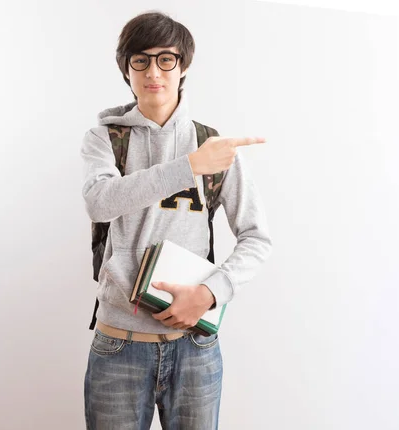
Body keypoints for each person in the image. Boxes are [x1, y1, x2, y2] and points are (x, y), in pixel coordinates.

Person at [80, 11, 272, 430]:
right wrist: (189, 168)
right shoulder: (106, 138)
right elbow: (100, 203)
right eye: (141, 60)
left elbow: (257, 238)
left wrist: (210, 293)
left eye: (166, 59)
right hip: (118, 346)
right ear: (126, 69)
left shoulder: (212, 146)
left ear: (182, 67)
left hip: (195, 348)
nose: (154, 71)